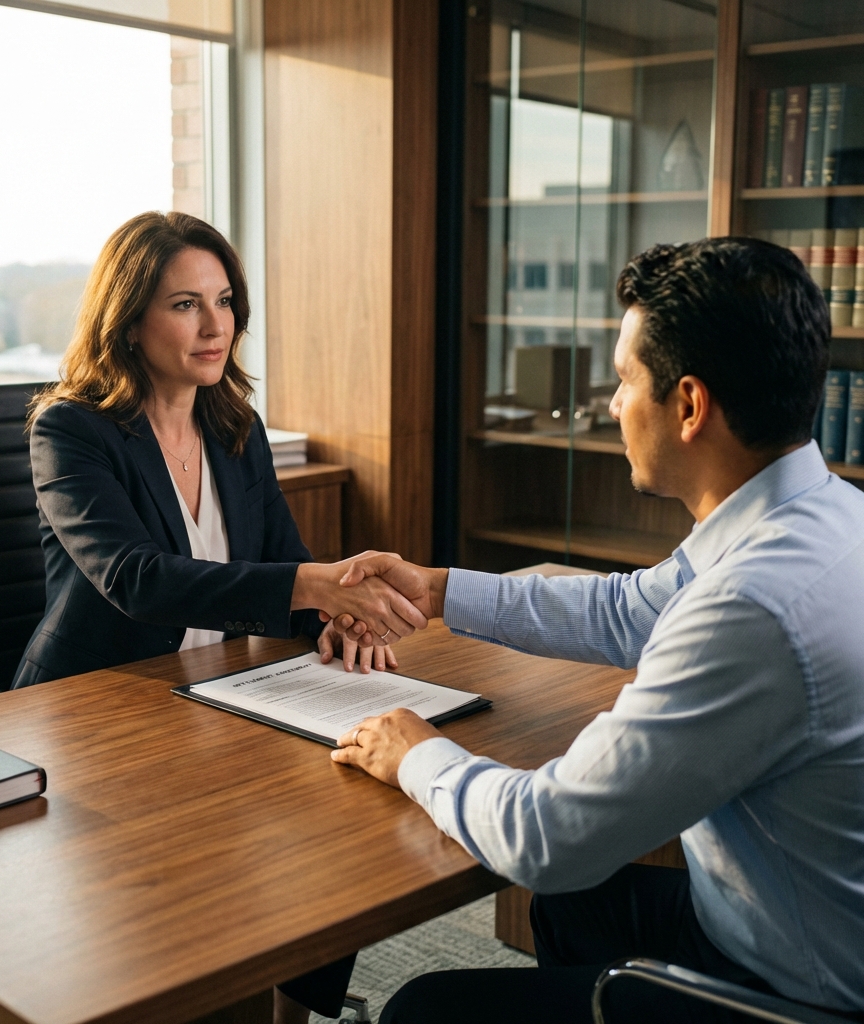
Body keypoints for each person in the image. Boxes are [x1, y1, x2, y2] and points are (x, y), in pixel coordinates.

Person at [329, 238, 864, 1022]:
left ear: (688, 406)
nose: (613, 405)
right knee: (579, 903)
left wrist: (418, 753)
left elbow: (546, 835)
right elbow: (631, 610)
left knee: (425, 1008)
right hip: (817, 919)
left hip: (798, 993)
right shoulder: (822, 513)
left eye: (623, 381)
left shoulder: (751, 607)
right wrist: (439, 589)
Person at [14, 210, 422, 1020]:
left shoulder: (235, 426)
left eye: (225, 301)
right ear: (128, 319)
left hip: (223, 695)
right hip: (106, 708)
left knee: (348, 810)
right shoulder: (71, 430)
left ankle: (291, 1008)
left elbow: (279, 560)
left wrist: (331, 622)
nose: (215, 326)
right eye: (185, 305)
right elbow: (136, 579)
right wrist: (313, 587)